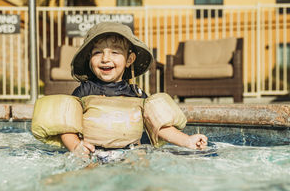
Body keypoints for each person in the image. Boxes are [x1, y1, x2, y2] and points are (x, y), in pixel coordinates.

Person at [60, 22, 208, 156]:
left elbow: (160, 127)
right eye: (98, 52)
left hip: (130, 154)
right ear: (90, 59)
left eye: (115, 52)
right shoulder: (84, 92)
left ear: (129, 60)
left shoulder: (137, 95)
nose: (105, 58)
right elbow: (67, 127)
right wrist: (76, 146)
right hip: (92, 154)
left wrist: (187, 141)